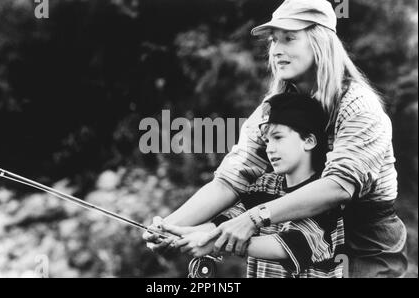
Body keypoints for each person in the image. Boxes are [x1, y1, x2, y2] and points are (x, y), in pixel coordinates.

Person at [143, 0, 407, 278]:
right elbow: (233, 178)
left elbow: (339, 186)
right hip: (294, 224)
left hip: (365, 241)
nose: (277, 50)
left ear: (321, 43)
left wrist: (254, 218)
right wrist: (167, 227)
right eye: (273, 40)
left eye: (290, 38)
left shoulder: (359, 106)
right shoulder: (273, 109)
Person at [167, 93, 345, 278]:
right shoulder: (265, 185)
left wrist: (213, 243)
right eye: (267, 140)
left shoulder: (322, 196)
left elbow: (286, 245)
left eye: (278, 137)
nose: (269, 148)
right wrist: (180, 233)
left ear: (309, 141)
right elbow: (228, 222)